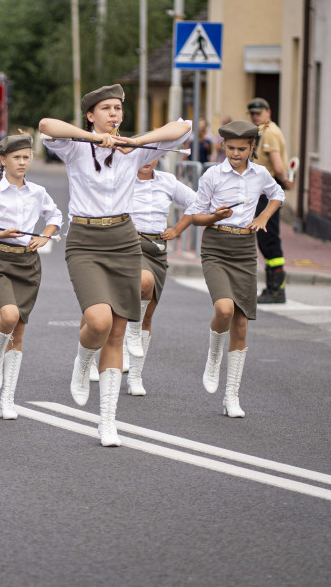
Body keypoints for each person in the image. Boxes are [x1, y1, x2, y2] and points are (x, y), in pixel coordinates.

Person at [39, 84, 191, 447]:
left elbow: (182, 127)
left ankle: (107, 421)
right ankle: (82, 359)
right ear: (91, 115)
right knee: (99, 321)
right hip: (85, 241)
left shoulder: (135, 151)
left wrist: (134, 143)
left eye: (117, 109)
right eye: (105, 109)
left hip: (123, 239)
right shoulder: (76, 147)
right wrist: (93, 138)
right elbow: (46, 125)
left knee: (119, 332)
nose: (113, 115)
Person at [185, 120, 285, 417]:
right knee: (225, 310)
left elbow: (278, 194)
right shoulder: (212, 175)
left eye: (242, 149)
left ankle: (231, 396)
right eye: (230, 148)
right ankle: (214, 355)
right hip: (216, 245)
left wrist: (264, 217)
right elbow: (195, 217)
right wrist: (214, 216)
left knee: (241, 323)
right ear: (223, 146)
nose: (236, 154)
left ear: (252, 147)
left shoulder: (261, 174)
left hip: (244, 249)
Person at [0, 133, 63, 419]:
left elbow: (56, 216)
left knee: (19, 330)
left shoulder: (37, 191)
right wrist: (2, 233)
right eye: (16, 157)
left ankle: (7, 398)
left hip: (29, 264)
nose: (22, 162)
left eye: (26, 157)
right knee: (8, 317)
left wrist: (46, 237)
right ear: (3, 160)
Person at [121, 157, 196, 396]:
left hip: (158, 249)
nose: (146, 160)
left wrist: (176, 229)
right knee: (144, 282)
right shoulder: (122, 179)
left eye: (152, 154)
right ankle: (120, 344)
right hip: (128, 246)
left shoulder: (168, 181)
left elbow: (198, 203)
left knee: (148, 315)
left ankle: (135, 376)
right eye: (141, 154)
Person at [248, 98, 293, 304]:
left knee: (269, 238)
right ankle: (272, 287)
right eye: (252, 113)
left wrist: (284, 181)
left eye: (258, 113)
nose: (255, 116)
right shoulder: (263, 131)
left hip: (269, 189)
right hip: (265, 190)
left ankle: (277, 289)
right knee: (266, 239)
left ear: (268, 112)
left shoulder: (271, 133)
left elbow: (277, 165)